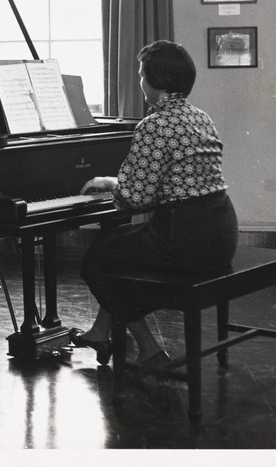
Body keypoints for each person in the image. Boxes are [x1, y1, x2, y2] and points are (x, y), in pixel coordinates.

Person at [70, 40, 238, 367]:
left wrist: (115, 189)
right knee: (117, 249)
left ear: (155, 82)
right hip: (221, 232)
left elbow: (136, 198)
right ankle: (99, 332)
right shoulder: (199, 117)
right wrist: (112, 182)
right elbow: (171, 175)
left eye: (141, 75)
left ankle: (148, 349)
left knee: (97, 259)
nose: (140, 81)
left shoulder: (154, 124)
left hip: (182, 240)